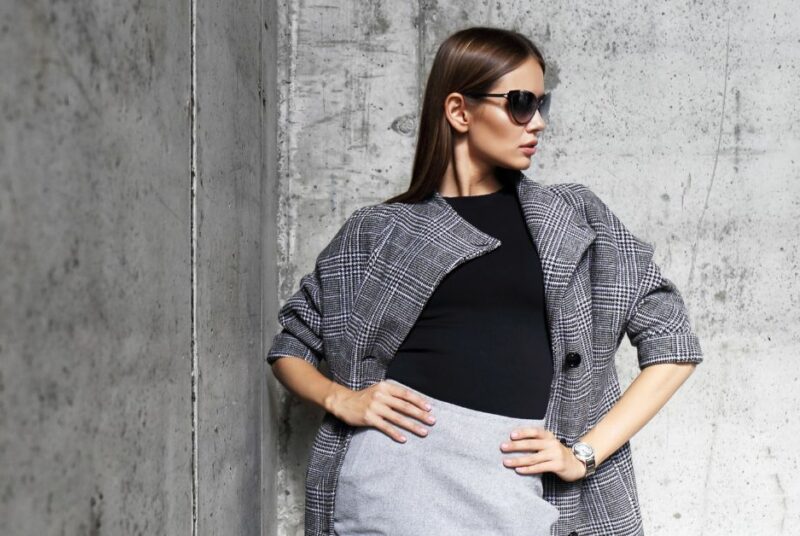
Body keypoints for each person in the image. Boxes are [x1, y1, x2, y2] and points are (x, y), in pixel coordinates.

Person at [266, 26, 704, 536]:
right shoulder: (379, 230)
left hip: (515, 489)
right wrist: (341, 398)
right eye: (520, 104)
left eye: (543, 105)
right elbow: (290, 346)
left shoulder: (573, 216)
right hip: (395, 486)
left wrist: (583, 454)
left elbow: (674, 345)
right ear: (459, 111)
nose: (536, 123)